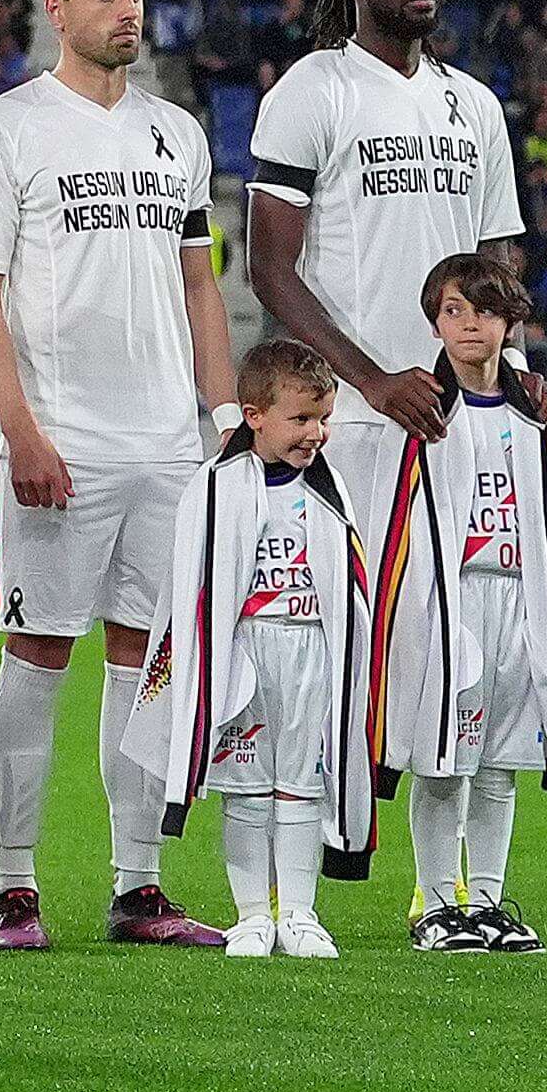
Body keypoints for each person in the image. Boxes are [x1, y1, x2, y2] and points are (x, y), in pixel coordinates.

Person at [0, 0, 232, 952]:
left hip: (167, 443)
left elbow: (200, 284)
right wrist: (15, 424)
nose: (128, 9)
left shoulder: (178, 133)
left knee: (146, 656)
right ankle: (12, 884)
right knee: (36, 646)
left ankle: (138, 884)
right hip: (60, 439)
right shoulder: (7, 127)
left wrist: (225, 419)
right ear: (55, 6)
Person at [245, 0, 521, 531]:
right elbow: (269, 270)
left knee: (462, 620)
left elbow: (495, 267)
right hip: (356, 416)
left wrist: (510, 374)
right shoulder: (313, 89)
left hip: (462, 407)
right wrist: (373, 382)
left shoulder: (476, 104)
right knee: (363, 620)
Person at [126, 341, 378, 958]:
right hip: (242, 656)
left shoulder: (330, 487)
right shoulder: (216, 486)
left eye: (322, 418)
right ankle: (250, 915)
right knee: (245, 786)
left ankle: (297, 911)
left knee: (302, 783)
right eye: (300, 419)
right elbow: (192, 589)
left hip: (310, 650)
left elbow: (350, 581)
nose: (314, 433)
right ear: (253, 414)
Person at [373, 254, 547, 953]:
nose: (470, 325)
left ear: (510, 322)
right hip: (448, 602)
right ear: (435, 319)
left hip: (516, 601)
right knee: (442, 756)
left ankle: (488, 901)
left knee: (500, 761)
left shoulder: (531, 411)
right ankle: (437, 905)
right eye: (455, 310)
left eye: (486, 311)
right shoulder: (420, 408)